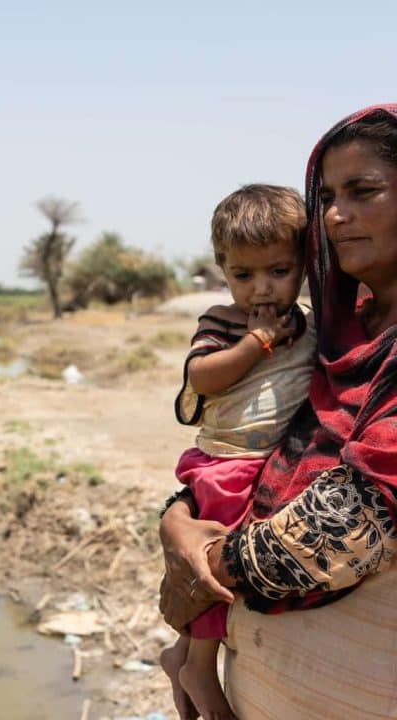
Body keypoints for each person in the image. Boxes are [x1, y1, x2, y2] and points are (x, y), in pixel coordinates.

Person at [159, 103, 397, 720]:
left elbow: (344, 528)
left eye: (363, 191)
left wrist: (197, 566)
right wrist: (178, 522)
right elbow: (256, 450)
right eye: (327, 196)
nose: (336, 215)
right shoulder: (337, 334)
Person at [159, 185, 315, 720]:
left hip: (268, 460)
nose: (262, 289)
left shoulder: (310, 324)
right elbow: (200, 375)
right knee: (219, 553)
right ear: (223, 270)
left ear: (304, 265)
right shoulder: (225, 320)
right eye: (243, 276)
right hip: (226, 461)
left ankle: (181, 650)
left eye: (278, 271)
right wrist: (255, 344)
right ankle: (200, 666)